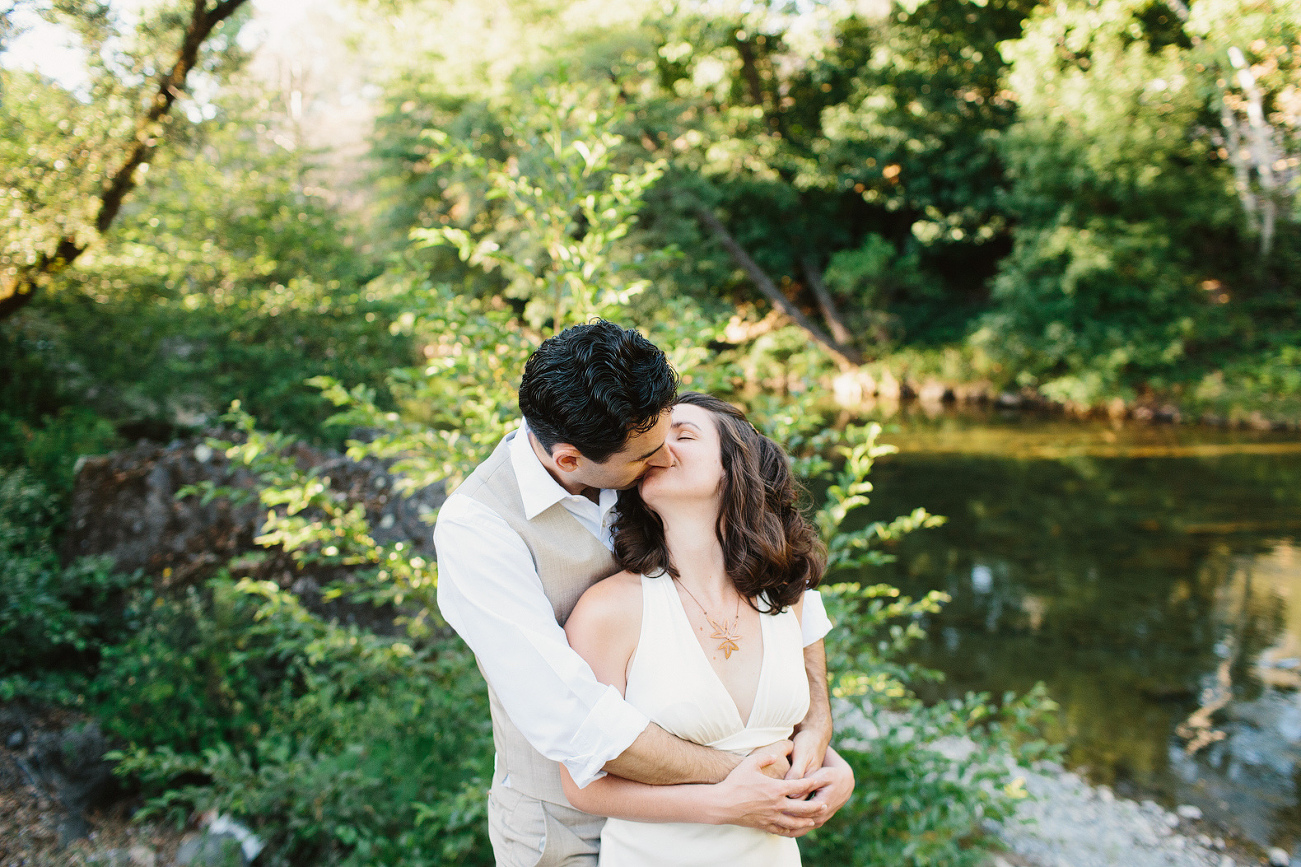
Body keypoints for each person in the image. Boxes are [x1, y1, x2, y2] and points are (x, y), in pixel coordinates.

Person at [434, 321, 853, 866]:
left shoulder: (633, 443)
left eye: (672, 436)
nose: (663, 458)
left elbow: (792, 602)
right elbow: (573, 718)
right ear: (569, 460)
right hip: (563, 825)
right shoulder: (480, 527)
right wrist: (755, 779)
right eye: (646, 455)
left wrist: (817, 731)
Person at [559, 392, 852, 866]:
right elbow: (581, 784)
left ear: (735, 467)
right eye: (650, 438)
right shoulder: (608, 611)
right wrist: (722, 805)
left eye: (684, 435)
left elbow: (801, 728)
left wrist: (837, 773)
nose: (658, 448)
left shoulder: (786, 596)